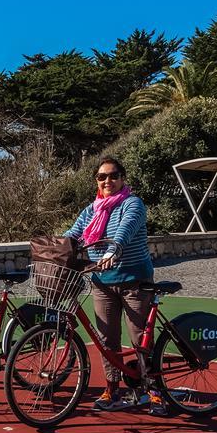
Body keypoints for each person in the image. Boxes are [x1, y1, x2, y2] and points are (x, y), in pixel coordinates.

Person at [64, 156, 166, 415]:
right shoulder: (92, 210)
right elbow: (73, 234)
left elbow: (126, 229)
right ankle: (113, 389)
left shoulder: (133, 204)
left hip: (134, 281)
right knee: (107, 340)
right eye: (102, 177)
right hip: (103, 283)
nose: (107, 181)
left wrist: (113, 250)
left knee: (139, 339)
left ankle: (153, 390)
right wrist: (53, 250)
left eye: (113, 175)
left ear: (122, 178)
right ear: (96, 181)